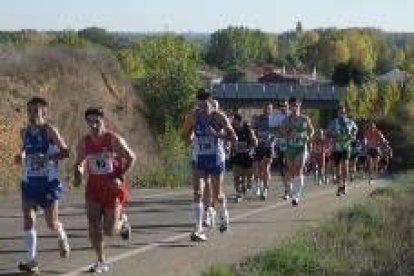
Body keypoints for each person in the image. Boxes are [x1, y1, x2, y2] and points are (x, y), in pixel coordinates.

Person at [73, 107, 136, 273]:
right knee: (93, 225)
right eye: (90, 121)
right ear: (86, 122)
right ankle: (101, 261)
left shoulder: (113, 139)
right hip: (93, 188)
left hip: (112, 188)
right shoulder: (84, 142)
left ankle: (122, 223)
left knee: (109, 230)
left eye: (97, 121)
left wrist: (120, 176)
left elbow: (131, 158)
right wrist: (78, 172)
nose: (94, 125)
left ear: (103, 120)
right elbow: (78, 163)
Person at [14, 97, 70, 273]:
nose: (31, 114)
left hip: (48, 184)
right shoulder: (24, 132)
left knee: (51, 223)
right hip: (29, 182)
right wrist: (20, 157)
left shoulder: (49, 130)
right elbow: (24, 150)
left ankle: (61, 235)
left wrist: (48, 158)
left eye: (35, 110)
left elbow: (66, 152)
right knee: (29, 219)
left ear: (43, 112)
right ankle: (31, 261)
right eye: (29, 110)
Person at [181, 89, 237, 241]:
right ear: (197, 101)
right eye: (200, 100)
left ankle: (223, 215)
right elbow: (184, 135)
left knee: (218, 194)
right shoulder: (193, 117)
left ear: (210, 100)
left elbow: (233, 137)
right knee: (198, 192)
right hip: (199, 158)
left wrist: (217, 134)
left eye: (205, 99)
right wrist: (190, 140)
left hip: (216, 158)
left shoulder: (219, 116)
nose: (203, 103)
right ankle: (198, 229)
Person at [281, 97, 314, 206]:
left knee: (298, 169)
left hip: (301, 147)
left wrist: (309, 136)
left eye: (296, 105)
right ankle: (290, 190)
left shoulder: (305, 119)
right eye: (292, 106)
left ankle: (296, 196)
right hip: (290, 147)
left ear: (299, 105)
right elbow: (283, 131)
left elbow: (312, 130)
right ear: (289, 107)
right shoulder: (287, 119)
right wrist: (288, 134)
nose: (294, 108)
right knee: (291, 171)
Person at [327, 106, 358, 196]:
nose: (342, 114)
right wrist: (333, 135)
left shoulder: (350, 121)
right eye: (340, 112)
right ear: (337, 113)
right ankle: (339, 186)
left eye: (343, 112)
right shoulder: (334, 122)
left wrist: (353, 135)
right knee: (337, 168)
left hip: (346, 147)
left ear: (345, 113)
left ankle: (344, 184)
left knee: (345, 165)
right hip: (336, 147)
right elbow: (328, 133)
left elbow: (355, 129)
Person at [230, 113, 257, 202]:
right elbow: (227, 139)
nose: (235, 124)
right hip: (236, 155)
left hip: (247, 156)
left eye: (236, 122)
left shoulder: (247, 129)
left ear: (240, 121)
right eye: (233, 122)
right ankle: (238, 194)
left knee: (248, 176)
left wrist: (252, 147)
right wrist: (229, 145)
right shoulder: (231, 128)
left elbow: (255, 141)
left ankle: (247, 185)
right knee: (236, 176)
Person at [253, 103, 275, 200]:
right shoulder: (258, 119)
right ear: (263, 109)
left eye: (269, 108)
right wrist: (254, 137)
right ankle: (259, 185)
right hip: (258, 146)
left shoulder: (274, 120)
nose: (267, 110)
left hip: (268, 146)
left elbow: (277, 132)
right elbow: (253, 130)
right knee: (258, 169)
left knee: (266, 168)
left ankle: (265, 189)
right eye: (265, 108)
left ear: (271, 110)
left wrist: (272, 138)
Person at [271, 101, 290, 199]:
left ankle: (291, 187)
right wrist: (282, 131)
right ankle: (287, 189)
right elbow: (273, 130)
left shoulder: (292, 115)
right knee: (283, 168)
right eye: (281, 106)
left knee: (290, 167)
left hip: (291, 145)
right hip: (280, 144)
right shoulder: (276, 116)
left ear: (288, 107)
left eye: (285, 106)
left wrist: (282, 130)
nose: (283, 108)